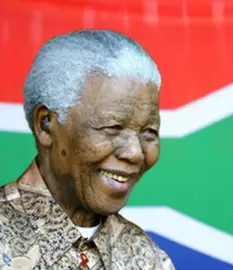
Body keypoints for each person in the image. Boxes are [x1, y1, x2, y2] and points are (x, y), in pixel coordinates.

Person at [0, 30, 175, 269]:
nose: (135, 153)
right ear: (46, 125)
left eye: (149, 133)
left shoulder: (148, 259)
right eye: (112, 127)